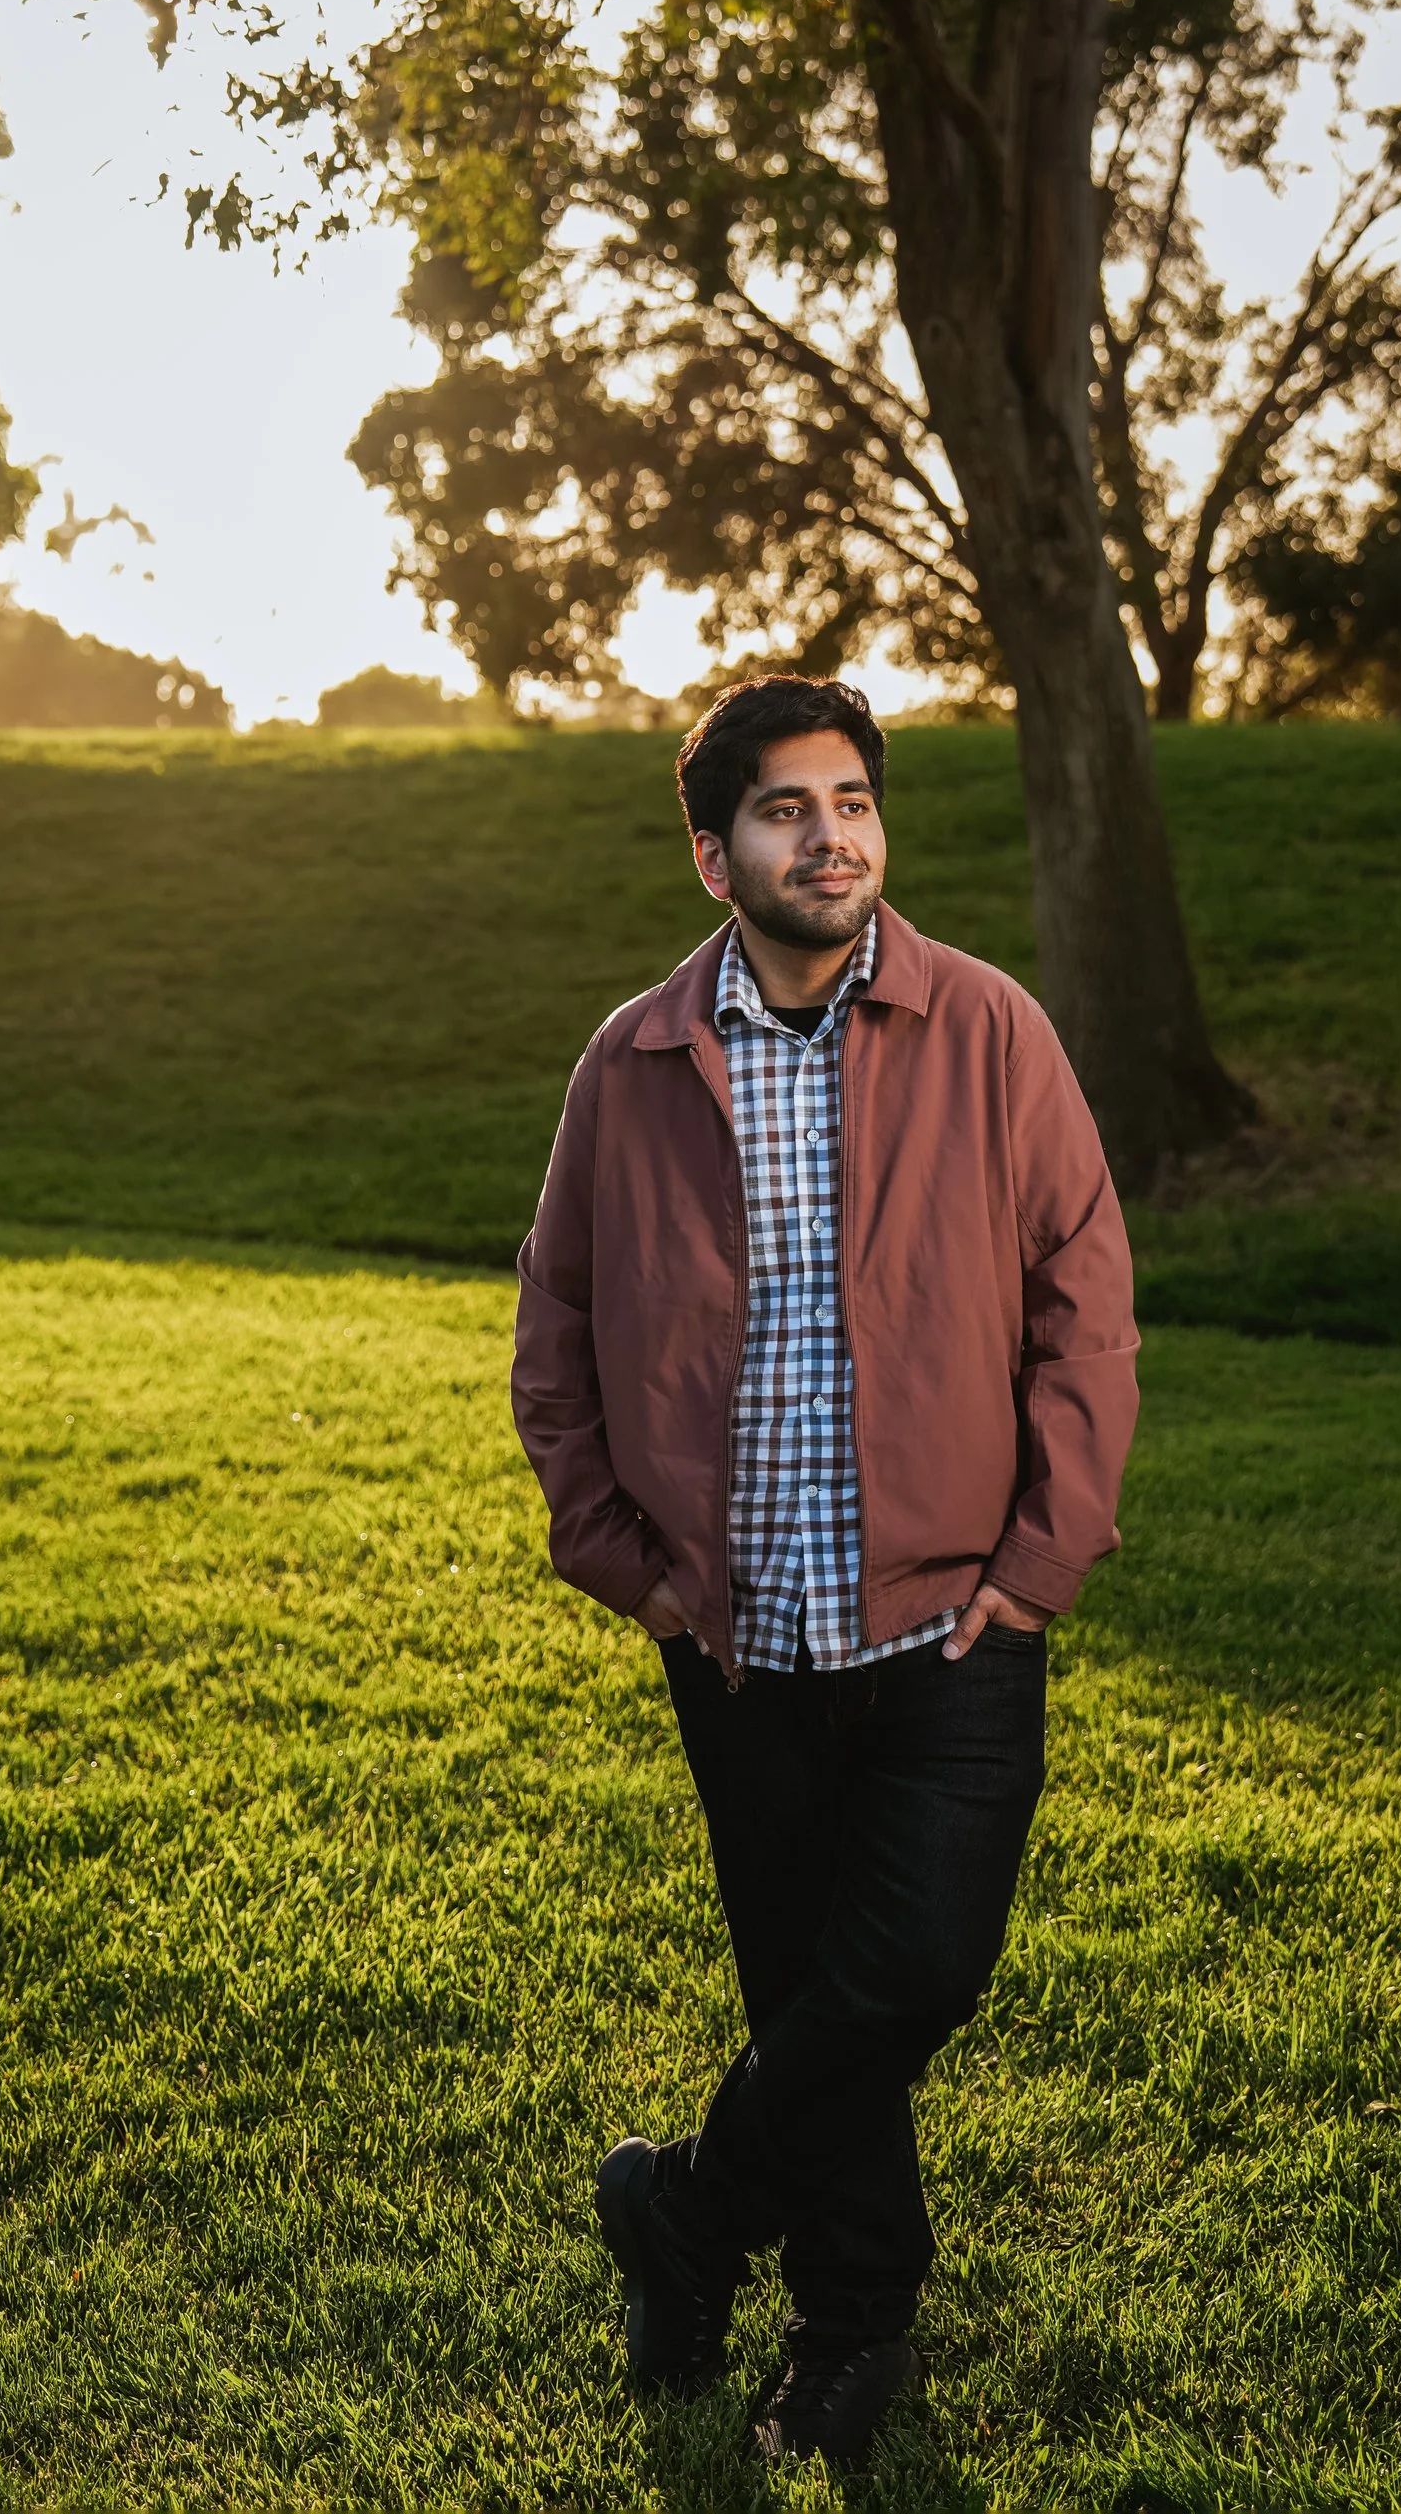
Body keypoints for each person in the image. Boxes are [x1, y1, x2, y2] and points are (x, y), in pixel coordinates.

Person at [508, 674, 1140, 2475]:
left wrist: (1040, 1561)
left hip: (954, 1626)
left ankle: (685, 2212)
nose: (832, 835)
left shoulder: (989, 1029)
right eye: (787, 809)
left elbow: (1086, 1304)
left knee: (918, 1969)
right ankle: (851, 2328)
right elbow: (556, 1331)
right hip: (737, 1642)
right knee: (808, 2000)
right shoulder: (634, 1064)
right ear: (717, 857)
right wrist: (624, 1564)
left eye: (852, 800)